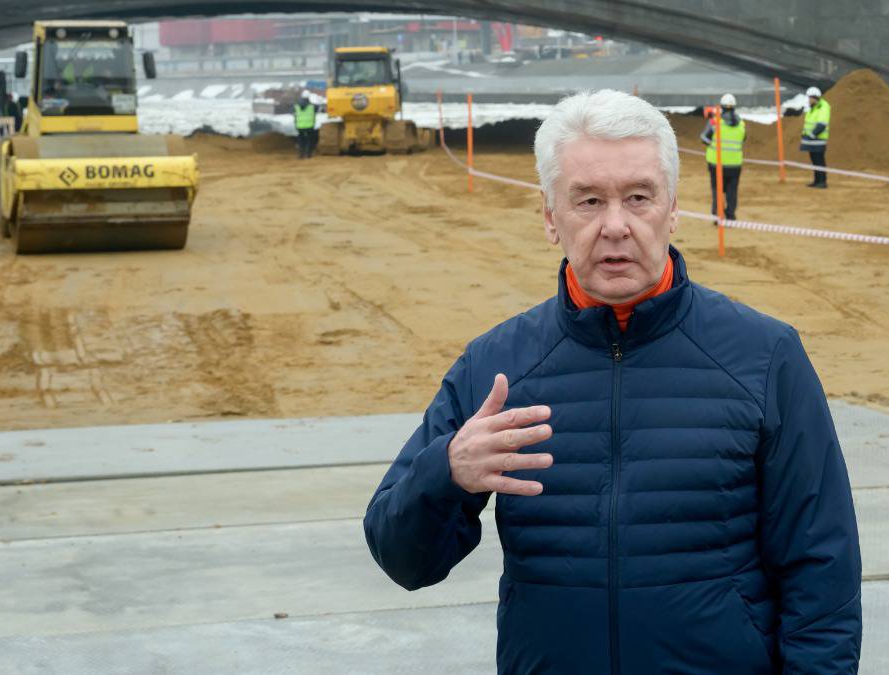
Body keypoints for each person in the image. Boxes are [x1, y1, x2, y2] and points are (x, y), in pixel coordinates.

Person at [363, 89, 862, 674]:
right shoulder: (494, 366)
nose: (616, 226)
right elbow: (403, 561)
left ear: (673, 210)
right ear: (550, 217)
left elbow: (822, 571)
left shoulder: (765, 356)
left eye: (638, 198)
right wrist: (445, 470)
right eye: (589, 201)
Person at [699, 93, 745, 222]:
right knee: (732, 191)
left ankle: (718, 215)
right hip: (735, 164)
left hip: (717, 164)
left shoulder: (715, 122)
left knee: (717, 190)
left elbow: (704, 138)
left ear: (721, 107)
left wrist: (712, 143)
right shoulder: (741, 124)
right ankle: (731, 215)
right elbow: (743, 139)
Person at [801, 86, 831, 188]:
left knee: (819, 161)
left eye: (810, 97)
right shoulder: (813, 108)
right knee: (815, 160)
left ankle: (822, 182)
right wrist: (805, 134)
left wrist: (812, 134)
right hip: (812, 140)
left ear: (815, 97)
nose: (808, 100)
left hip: (818, 139)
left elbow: (822, 124)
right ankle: (817, 181)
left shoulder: (823, 106)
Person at [293, 94, 316, 159]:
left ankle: (301, 155)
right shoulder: (312, 106)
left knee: (301, 141)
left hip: (300, 126)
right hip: (309, 126)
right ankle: (308, 154)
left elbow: (294, 115)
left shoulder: (296, 106)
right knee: (309, 140)